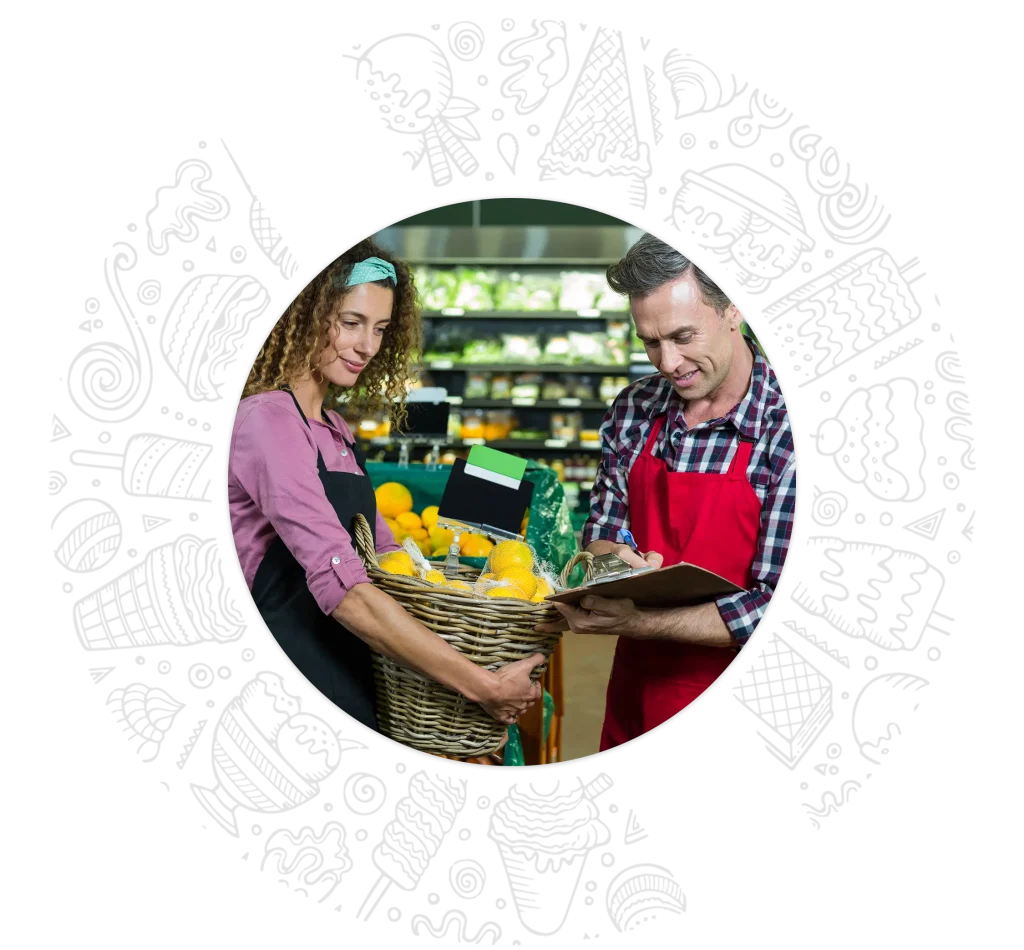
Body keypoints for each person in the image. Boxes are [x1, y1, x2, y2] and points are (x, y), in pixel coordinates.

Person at [227, 238, 543, 740]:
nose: (367, 347)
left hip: (350, 663)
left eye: (379, 329)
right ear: (303, 313)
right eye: (351, 322)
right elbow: (346, 589)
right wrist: (479, 684)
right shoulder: (267, 421)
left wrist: (470, 606)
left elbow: (388, 557)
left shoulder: (334, 427)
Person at [535, 232, 797, 752]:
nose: (667, 362)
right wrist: (612, 565)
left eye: (683, 336)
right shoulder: (633, 409)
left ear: (733, 312)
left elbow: (770, 601)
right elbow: (604, 529)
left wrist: (641, 619)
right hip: (632, 690)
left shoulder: (781, 428)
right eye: (650, 342)